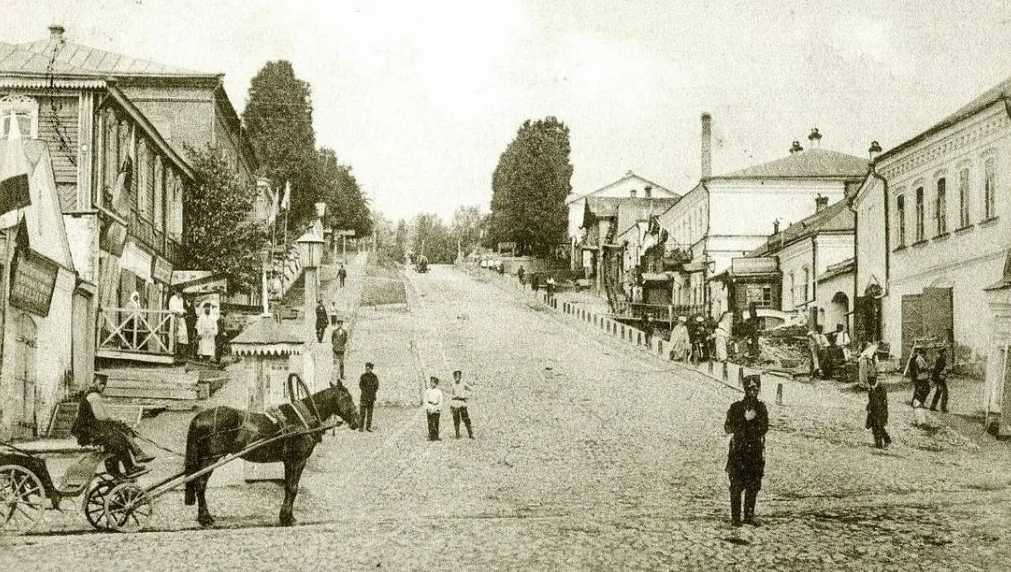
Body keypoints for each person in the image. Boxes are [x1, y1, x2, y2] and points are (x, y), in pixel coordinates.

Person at [70, 374, 154, 478]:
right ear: (95, 383)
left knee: (117, 438)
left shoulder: (91, 394)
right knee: (120, 440)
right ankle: (131, 466)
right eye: (101, 385)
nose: (102, 387)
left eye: (104, 385)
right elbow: (102, 417)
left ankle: (120, 468)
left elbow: (101, 417)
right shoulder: (93, 396)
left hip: (88, 428)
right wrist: (115, 421)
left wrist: (115, 421)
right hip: (88, 431)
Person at [724, 374, 769, 527]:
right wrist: (744, 420)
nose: (752, 391)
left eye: (755, 388)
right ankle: (736, 518)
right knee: (736, 485)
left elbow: (764, 428)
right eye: (749, 388)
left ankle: (749, 515)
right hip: (738, 452)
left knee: (753, 485)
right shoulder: (736, 407)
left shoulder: (761, 408)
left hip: (755, 452)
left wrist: (753, 425)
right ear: (744, 389)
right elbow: (728, 428)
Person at [865, 352, 891, 449]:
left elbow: (881, 401)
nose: (870, 383)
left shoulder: (881, 388)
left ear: (875, 380)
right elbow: (871, 400)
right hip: (873, 410)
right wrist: (868, 406)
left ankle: (879, 444)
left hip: (880, 410)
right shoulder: (872, 389)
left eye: (872, 380)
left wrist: (872, 391)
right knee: (875, 426)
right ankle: (886, 440)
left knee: (878, 426)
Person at [907, 347, 931, 426]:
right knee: (923, 390)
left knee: (923, 390)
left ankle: (918, 402)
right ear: (922, 353)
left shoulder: (919, 358)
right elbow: (921, 368)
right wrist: (928, 367)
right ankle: (918, 403)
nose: (925, 355)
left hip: (922, 377)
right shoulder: (919, 359)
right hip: (921, 377)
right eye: (925, 353)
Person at [449, 370, 474, 439]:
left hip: (462, 402)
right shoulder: (453, 385)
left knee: (466, 418)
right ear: (454, 377)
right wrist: (451, 405)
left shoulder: (464, 384)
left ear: (460, 377)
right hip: (455, 402)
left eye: (459, 376)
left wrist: (467, 396)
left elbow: (471, 390)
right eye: (456, 377)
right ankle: (457, 433)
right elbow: (451, 395)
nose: (457, 378)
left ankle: (470, 433)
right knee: (456, 419)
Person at [359, 363, 379, 432]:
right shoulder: (363, 376)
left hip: (371, 397)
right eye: (366, 368)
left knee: (370, 414)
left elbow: (376, 386)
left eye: (368, 369)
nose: (367, 370)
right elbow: (361, 386)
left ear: (371, 369)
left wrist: (372, 392)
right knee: (362, 413)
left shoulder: (374, 377)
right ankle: (361, 427)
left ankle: (368, 427)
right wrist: (366, 391)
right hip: (364, 397)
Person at [168, 290, 189, 356]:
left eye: (181, 293)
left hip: (180, 317)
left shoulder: (181, 299)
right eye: (178, 293)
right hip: (174, 317)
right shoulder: (173, 299)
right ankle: (173, 350)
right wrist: (177, 312)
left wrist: (183, 311)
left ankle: (180, 352)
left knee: (183, 333)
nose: (179, 294)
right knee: (174, 333)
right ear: (176, 292)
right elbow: (171, 308)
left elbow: (181, 308)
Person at [424, 376, 443, 441]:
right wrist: (427, 408)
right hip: (430, 406)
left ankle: (436, 435)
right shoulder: (427, 391)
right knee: (430, 422)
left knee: (436, 422)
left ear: (436, 383)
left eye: (433, 382)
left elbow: (440, 401)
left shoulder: (439, 391)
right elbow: (425, 400)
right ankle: (430, 435)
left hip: (436, 406)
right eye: (431, 382)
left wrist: (439, 408)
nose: (432, 384)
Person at [930, 348, 949, 413]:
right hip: (939, 379)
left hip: (939, 378)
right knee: (945, 393)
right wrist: (940, 375)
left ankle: (933, 407)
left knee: (938, 393)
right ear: (942, 353)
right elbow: (936, 370)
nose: (946, 353)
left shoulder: (942, 359)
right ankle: (943, 408)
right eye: (944, 352)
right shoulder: (940, 360)